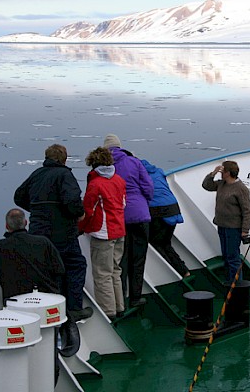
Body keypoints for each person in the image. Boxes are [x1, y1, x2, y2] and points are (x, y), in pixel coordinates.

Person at [14, 143, 91, 321]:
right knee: (75, 265)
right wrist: (78, 213)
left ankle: (49, 309)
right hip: (63, 232)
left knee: (47, 269)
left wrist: (37, 210)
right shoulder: (64, 175)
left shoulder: (36, 175)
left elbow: (19, 197)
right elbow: (72, 200)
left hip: (37, 233)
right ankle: (73, 308)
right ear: (64, 159)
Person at [0, 208, 65, 303]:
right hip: (47, 300)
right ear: (25, 223)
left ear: (7, 226)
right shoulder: (44, 242)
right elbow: (60, 269)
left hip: (16, 304)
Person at [104, 134, 153, 307]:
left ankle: (121, 299)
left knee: (121, 259)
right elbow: (148, 186)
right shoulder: (134, 162)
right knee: (138, 258)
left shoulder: (105, 166)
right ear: (120, 146)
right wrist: (143, 201)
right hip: (140, 214)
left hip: (119, 217)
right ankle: (135, 298)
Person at [79, 147, 127, 321]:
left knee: (102, 274)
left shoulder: (96, 184)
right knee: (115, 270)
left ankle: (108, 311)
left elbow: (88, 210)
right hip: (119, 230)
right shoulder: (119, 180)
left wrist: (81, 228)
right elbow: (123, 204)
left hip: (103, 233)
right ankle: (119, 306)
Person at [201, 160, 250, 284]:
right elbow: (206, 185)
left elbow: (247, 211)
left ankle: (237, 286)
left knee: (233, 258)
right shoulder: (221, 184)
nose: (220, 173)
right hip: (222, 226)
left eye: (222, 171)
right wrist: (212, 173)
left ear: (228, 173)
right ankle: (230, 282)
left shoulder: (241, 189)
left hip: (233, 228)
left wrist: (245, 231)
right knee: (226, 256)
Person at [141, 159, 190, 278]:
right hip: (173, 207)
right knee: (165, 243)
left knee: (157, 243)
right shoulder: (158, 172)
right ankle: (184, 271)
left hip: (159, 211)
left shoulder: (139, 176)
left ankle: (172, 274)